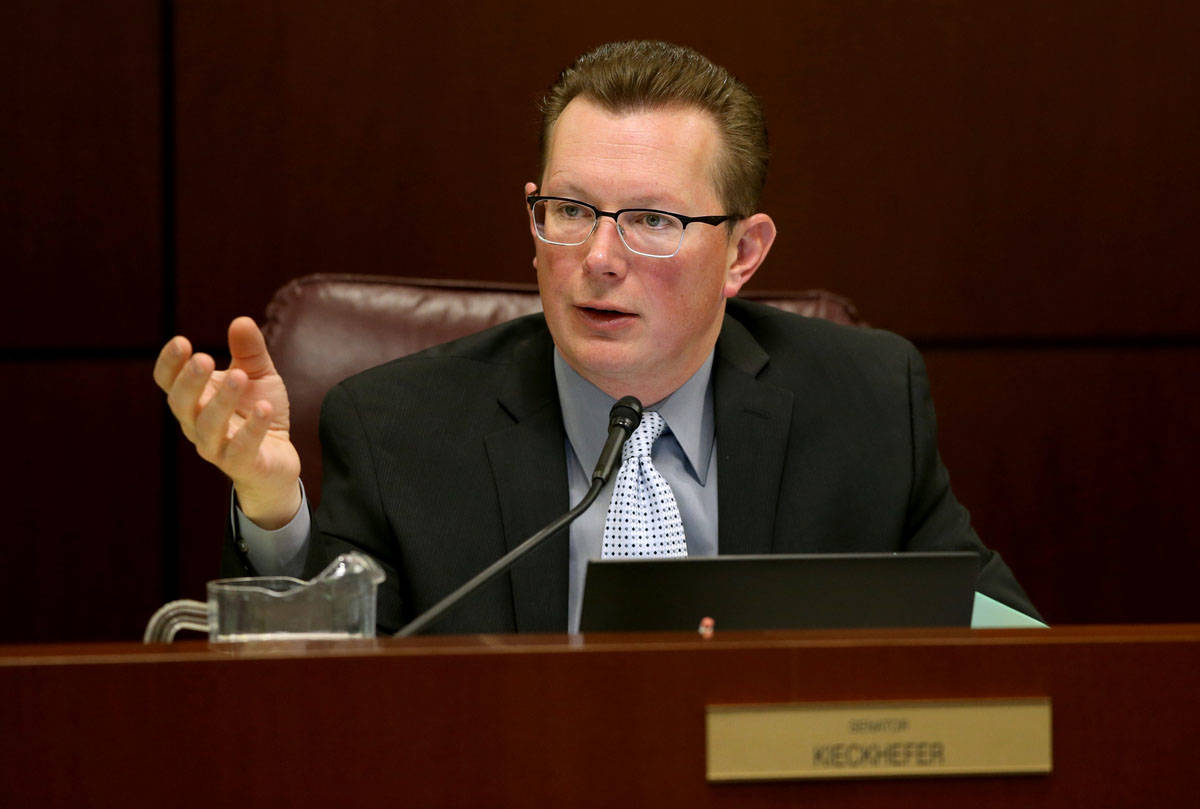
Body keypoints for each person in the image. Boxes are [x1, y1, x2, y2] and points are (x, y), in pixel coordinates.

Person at [154, 40, 1040, 633]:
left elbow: (1004, 644)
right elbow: (318, 698)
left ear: (743, 253)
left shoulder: (866, 402)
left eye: (653, 220)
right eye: (571, 211)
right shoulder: (399, 430)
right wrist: (273, 510)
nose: (600, 257)